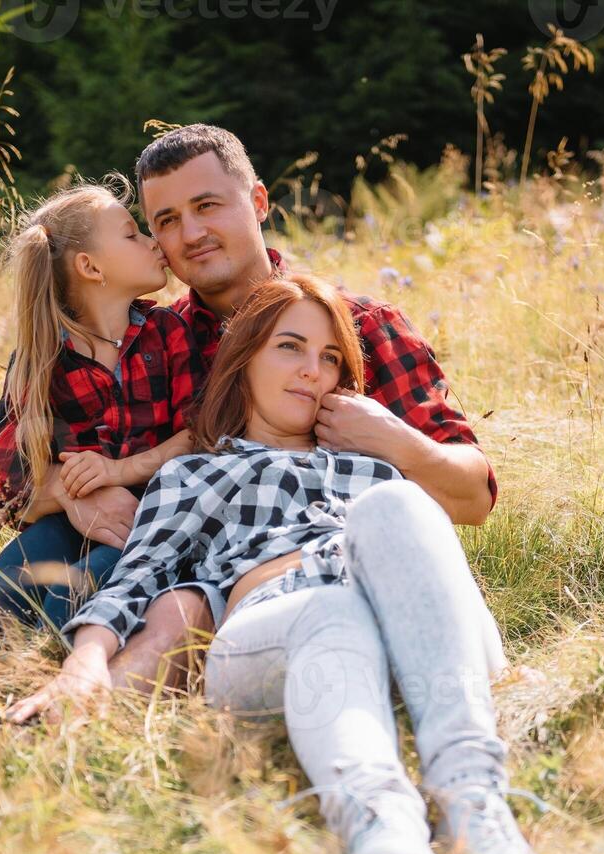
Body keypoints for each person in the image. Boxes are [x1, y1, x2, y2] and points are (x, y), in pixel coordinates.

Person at [7, 274, 546, 854]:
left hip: (405, 634)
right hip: (275, 630)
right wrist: (85, 662)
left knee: (395, 507)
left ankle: (477, 808)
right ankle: (379, 822)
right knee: (332, 611)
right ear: (244, 360)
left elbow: (440, 561)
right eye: (289, 347)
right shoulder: (195, 473)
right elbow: (137, 579)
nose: (311, 370)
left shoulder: (375, 467)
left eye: (330, 357)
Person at [71, 123, 500, 697]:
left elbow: (473, 497)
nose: (191, 233)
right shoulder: (152, 340)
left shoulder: (360, 325)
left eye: (207, 206)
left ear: (258, 202)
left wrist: (394, 440)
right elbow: (62, 459)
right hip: (198, 584)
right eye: (167, 221)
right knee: (90, 570)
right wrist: (74, 490)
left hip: (347, 571)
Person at [0, 177, 201, 748]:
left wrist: (118, 472)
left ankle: (22, 706)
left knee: (84, 590)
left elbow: (199, 433)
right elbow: (5, 464)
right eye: (134, 234)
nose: (154, 243)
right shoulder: (43, 355)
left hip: (149, 524)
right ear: (91, 267)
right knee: (15, 576)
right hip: (60, 524)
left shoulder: (169, 333)